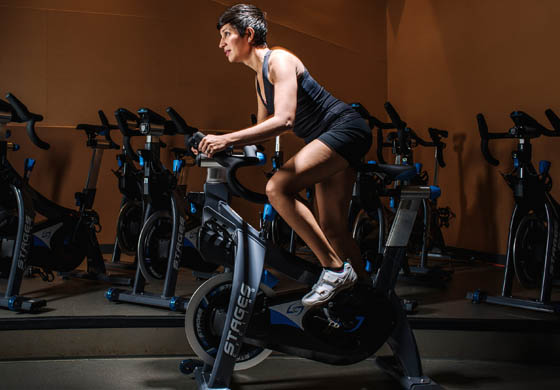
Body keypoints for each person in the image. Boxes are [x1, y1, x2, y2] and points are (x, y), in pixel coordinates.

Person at [198, 3, 372, 307]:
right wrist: (213, 145)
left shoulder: (279, 60)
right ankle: (372, 302)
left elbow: (285, 121)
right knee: (331, 227)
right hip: (328, 138)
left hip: (345, 128)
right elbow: (266, 129)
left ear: (248, 34)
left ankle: (334, 270)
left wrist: (225, 139)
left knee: (277, 187)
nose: (221, 43)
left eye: (226, 34)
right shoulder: (258, 80)